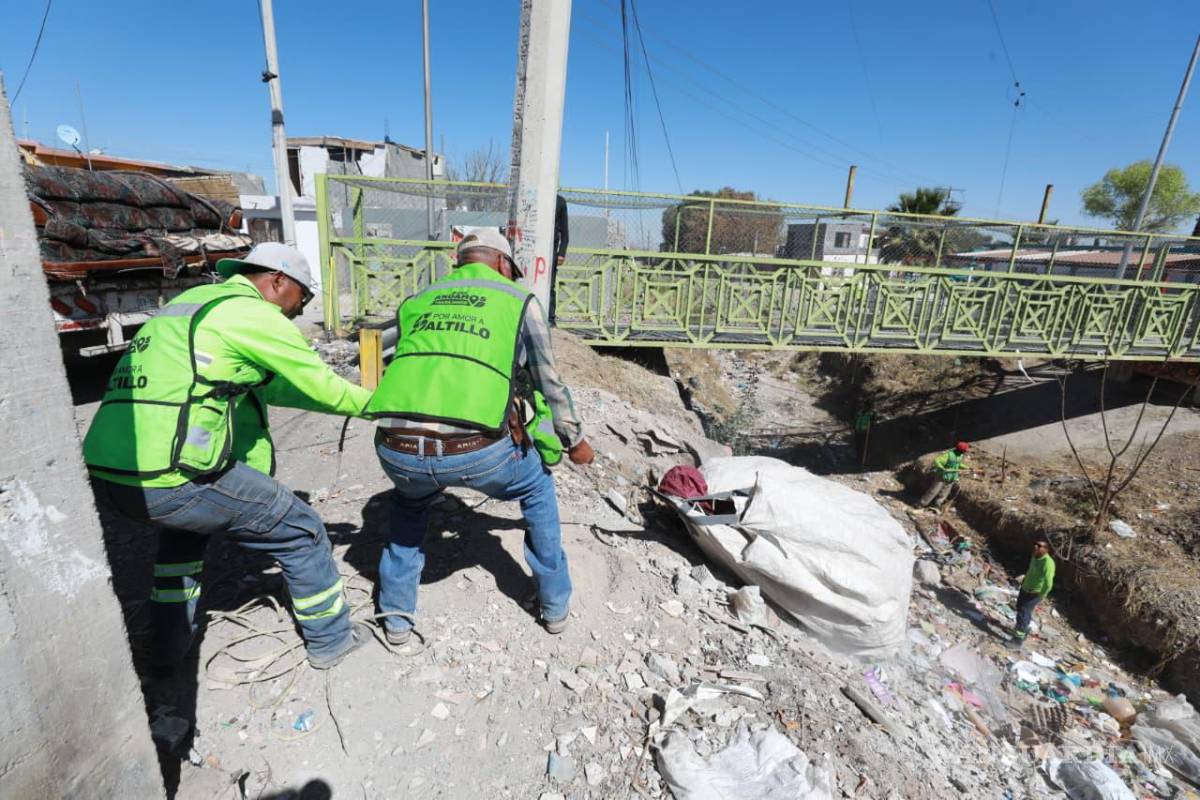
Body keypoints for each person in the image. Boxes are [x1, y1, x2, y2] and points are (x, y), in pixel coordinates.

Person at [84, 243, 374, 674]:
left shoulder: (193, 303)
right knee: (301, 529)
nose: (300, 309)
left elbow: (274, 389)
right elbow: (323, 385)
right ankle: (332, 640)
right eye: (304, 296)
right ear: (278, 281)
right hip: (172, 476)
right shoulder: (254, 315)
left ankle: (166, 649)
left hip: (109, 474)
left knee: (184, 536)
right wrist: (379, 406)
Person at [364, 227, 594, 643]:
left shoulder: (418, 300)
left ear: (459, 262)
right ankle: (555, 605)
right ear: (503, 263)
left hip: (397, 450)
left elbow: (381, 353)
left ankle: (396, 619)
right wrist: (573, 441)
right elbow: (547, 380)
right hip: (479, 453)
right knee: (538, 487)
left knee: (409, 502)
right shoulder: (517, 299)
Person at [1013, 539, 1055, 642]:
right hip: (1025, 588)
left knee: (1024, 612)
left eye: (1039, 546)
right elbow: (1030, 571)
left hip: (1034, 592)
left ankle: (1018, 639)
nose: (1036, 547)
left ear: (1046, 549)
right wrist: (1024, 581)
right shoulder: (1034, 557)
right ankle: (1024, 628)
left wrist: (1041, 594)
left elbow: (1048, 583)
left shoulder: (1048, 563)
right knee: (1020, 608)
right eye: (1035, 544)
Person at [920, 441, 969, 507]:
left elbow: (958, 464)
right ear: (960, 450)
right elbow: (937, 460)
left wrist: (967, 467)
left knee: (945, 492)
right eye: (964, 450)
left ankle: (937, 504)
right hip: (942, 476)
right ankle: (922, 503)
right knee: (934, 490)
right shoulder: (949, 455)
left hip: (951, 477)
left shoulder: (960, 455)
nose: (965, 452)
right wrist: (941, 467)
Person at [547, 193, 569, 323]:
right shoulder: (536, 197)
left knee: (550, 286)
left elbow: (565, 234)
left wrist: (561, 253)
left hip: (551, 252)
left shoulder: (560, 201)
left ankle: (550, 318)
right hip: (532, 249)